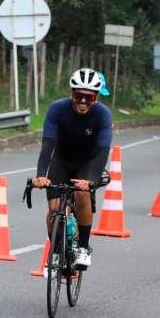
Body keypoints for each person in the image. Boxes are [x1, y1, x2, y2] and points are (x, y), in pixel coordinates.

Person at [32, 67, 113, 268]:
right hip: (61, 161)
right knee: (53, 210)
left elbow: (103, 151)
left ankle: (84, 248)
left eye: (89, 98)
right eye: (78, 96)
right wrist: (41, 175)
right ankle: (56, 251)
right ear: (71, 94)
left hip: (87, 163)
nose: (83, 102)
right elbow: (47, 146)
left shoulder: (103, 115)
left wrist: (92, 180)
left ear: (96, 98)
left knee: (82, 194)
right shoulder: (57, 109)